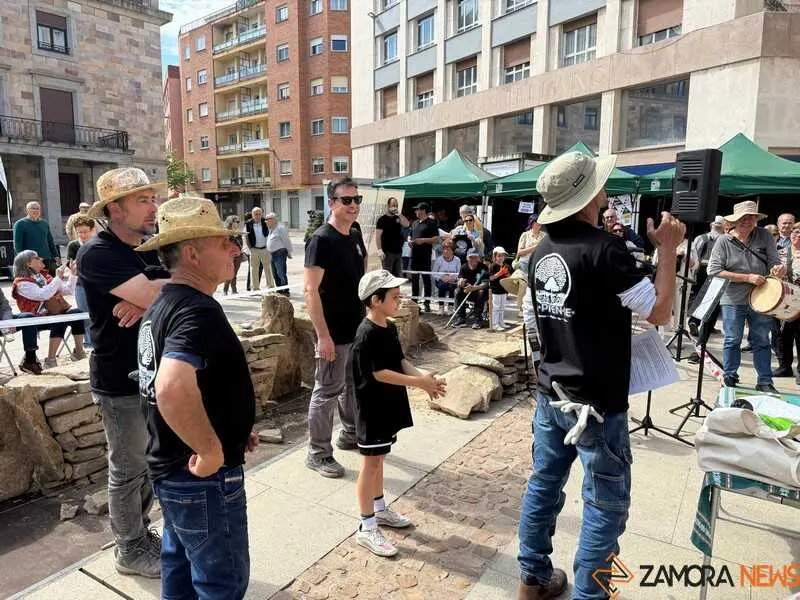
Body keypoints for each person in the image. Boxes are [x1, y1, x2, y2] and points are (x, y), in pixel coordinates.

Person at [517, 151, 685, 600]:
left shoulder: (542, 249)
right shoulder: (604, 250)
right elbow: (660, 312)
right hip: (595, 403)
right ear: (591, 195)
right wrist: (668, 250)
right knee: (604, 506)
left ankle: (531, 580)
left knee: (543, 486)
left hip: (552, 393)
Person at [135, 196, 257, 599]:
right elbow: (170, 387)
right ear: (191, 253)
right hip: (200, 479)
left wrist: (232, 429)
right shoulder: (195, 310)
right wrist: (210, 449)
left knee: (181, 571)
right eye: (224, 243)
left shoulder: (165, 304)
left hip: (175, 473)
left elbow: (196, 383)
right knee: (222, 584)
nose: (235, 249)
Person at [78, 167, 170, 578]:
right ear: (114, 209)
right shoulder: (97, 253)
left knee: (148, 463)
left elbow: (202, 278)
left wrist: (147, 297)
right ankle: (129, 550)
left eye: (152, 198)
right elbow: (183, 285)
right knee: (129, 468)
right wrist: (152, 292)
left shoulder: (152, 247)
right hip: (120, 380)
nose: (153, 207)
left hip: (154, 373)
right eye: (142, 200)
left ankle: (140, 533)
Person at [352, 269, 446, 557]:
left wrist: (424, 380)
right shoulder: (366, 334)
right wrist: (419, 383)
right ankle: (366, 526)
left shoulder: (389, 328)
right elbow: (379, 373)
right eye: (394, 296)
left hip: (388, 406)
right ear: (375, 300)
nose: (400, 299)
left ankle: (379, 509)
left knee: (379, 460)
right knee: (370, 464)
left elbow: (400, 361)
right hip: (372, 408)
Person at [304, 177, 365, 478]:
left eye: (357, 199)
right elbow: (310, 291)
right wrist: (323, 336)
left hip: (356, 328)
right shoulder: (321, 240)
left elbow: (359, 280)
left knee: (352, 385)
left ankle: (350, 433)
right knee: (327, 391)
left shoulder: (354, 234)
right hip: (333, 331)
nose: (353, 205)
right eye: (346, 200)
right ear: (331, 203)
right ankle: (318, 453)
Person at [707, 200, 785, 393]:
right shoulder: (723, 241)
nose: (748, 220)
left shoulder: (764, 235)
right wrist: (747, 277)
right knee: (732, 339)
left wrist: (778, 269)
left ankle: (765, 381)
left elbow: (774, 262)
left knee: (762, 340)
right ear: (735, 220)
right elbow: (713, 270)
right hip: (732, 298)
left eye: (752, 217)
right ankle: (730, 377)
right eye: (743, 217)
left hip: (762, 297)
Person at [11, 250, 86, 369]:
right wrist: (58, 278)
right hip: (35, 319)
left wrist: (73, 274)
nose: (41, 259)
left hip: (51, 314)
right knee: (59, 319)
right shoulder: (21, 282)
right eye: (36, 258)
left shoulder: (43, 276)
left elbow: (68, 290)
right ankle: (51, 359)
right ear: (28, 264)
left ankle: (79, 352)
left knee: (77, 313)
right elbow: (43, 295)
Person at [688, 217, 724, 341]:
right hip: (718, 270)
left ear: (711, 225)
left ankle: (694, 321)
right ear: (723, 227)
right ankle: (709, 326)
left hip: (702, 270)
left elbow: (694, 256)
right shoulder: (725, 239)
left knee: (700, 296)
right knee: (715, 299)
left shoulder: (700, 238)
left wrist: (694, 272)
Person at [1, 280, 44, 374]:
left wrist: (8, 321)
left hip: (3, 321)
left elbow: (5, 306)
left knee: (28, 317)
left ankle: (30, 360)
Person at [66, 215, 96, 349]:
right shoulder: (74, 245)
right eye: (79, 232)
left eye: (85, 232)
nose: (83, 235)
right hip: (81, 285)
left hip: (98, 285)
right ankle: (89, 342)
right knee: (85, 314)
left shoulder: (99, 243)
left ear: (92, 230)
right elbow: (71, 265)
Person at [13, 201, 60, 275]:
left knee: (47, 279)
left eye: (37, 209)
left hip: (45, 259)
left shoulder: (44, 224)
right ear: (27, 210)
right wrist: (23, 260)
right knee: (32, 280)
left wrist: (56, 255)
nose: (35, 210)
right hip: (30, 261)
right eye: (33, 208)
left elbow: (50, 241)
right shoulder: (20, 224)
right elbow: (17, 245)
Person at [409, 202, 439, 312]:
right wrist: (409, 240)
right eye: (416, 210)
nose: (416, 212)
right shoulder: (415, 223)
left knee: (426, 279)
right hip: (414, 255)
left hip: (425, 256)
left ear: (423, 211)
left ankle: (427, 303)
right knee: (414, 279)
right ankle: (414, 302)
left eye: (418, 209)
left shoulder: (431, 223)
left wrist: (423, 240)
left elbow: (436, 239)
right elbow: (410, 234)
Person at [453, 249, 488, 329]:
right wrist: (461, 282)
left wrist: (474, 288)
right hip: (468, 290)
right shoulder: (464, 267)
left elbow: (485, 284)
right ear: (467, 258)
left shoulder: (483, 267)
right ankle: (461, 318)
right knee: (458, 291)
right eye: (471, 257)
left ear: (478, 258)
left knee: (481, 292)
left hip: (479, 291)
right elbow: (460, 279)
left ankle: (478, 318)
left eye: (475, 257)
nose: (473, 259)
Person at [375, 197, 409, 277]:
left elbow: (407, 224)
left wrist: (399, 214)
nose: (395, 207)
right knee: (388, 276)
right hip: (387, 252)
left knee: (398, 276)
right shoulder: (382, 219)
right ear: (388, 206)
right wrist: (379, 250)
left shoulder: (398, 218)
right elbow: (377, 236)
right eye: (393, 205)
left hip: (398, 251)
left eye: (396, 205)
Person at [245, 207, 275, 291]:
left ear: (261, 214)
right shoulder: (248, 224)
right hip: (254, 249)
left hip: (265, 249)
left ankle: (271, 286)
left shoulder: (266, 222)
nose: (257, 216)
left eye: (259, 214)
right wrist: (250, 248)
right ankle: (255, 288)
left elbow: (272, 233)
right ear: (252, 215)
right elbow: (246, 237)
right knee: (254, 269)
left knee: (268, 268)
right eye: (255, 214)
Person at [266, 212, 292, 295]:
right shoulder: (271, 230)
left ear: (273, 220)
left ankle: (285, 291)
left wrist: (289, 252)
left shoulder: (281, 229)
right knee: (275, 273)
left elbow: (286, 241)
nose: (266, 222)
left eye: (267, 220)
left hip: (280, 253)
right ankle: (279, 290)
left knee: (281, 272)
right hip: (272, 254)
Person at [432, 241, 461, 313]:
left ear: (452, 251)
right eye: (444, 249)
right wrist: (441, 277)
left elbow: (460, 273)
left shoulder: (457, 260)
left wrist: (453, 278)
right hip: (441, 280)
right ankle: (441, 307)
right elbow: (434, 273)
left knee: (452, 287)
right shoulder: (439, 259)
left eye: (448, 249)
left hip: (453, 280)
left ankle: (450, 308)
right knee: (442, 286)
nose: (445, 251)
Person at [489, 246, 511, 332]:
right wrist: (500, 273)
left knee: (502, 307)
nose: (501, 257)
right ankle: (495, 324)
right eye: (499, 256)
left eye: (503, 255)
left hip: (504, 289)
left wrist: (507, 274)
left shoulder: (506, 266)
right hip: (495, 290)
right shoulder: (493, 266)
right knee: (496, 307)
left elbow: (509, 276)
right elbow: (491, 278)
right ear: (495, 256)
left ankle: (501, 322)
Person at [223, 215, 244, 295]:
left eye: (238, 222)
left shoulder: (239, 233)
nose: (237, 224)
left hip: (238, 255)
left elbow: (241, 243)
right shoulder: (226, 233)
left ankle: (234, 290)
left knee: (235, 272)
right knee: (229, 272)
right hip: (229, 255)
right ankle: (225, 290)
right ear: (230, 222)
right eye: (235, 222)